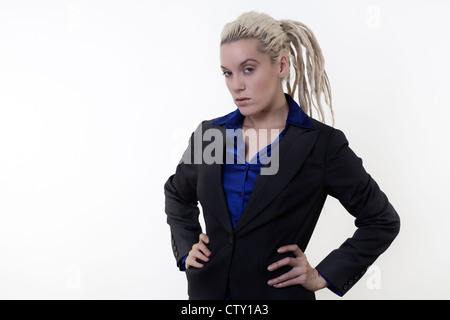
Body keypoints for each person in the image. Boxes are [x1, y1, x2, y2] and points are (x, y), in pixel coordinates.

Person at [164, 11, 400, 300]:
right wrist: (188, 246)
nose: (236, 84)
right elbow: (177, 194)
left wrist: (324, 274)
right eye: (227, 72)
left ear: (281, 66)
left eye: (248, 69)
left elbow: (381, 219)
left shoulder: (321, 144)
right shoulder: (212, 135)